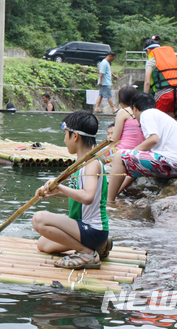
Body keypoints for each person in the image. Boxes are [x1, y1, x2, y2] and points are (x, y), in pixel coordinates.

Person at [32, 110, 110, 269]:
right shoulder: (79, 164)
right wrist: (57, 192)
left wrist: (61, 187)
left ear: (75, 136)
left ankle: (87, 253)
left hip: (92, 229)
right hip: (84, 229)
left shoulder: (91, 163)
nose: (64, 139)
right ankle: (100, 247)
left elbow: (88, 196)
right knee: (43, 244)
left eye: (65, 134)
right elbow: (80, 195)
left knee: (38, 219)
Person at [107, 92, 177, 201]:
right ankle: (114, 195)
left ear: (135, 108)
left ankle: (109, 202)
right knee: (128, 157)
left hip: (172, 163)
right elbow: (136, 164)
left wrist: (133, 151)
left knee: (119, 155)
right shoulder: (158, 115)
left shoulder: (146, 114)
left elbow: (153, 139)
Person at [143, 38, 177, 118]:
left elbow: (147, 82)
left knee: (157, 121)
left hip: (163, 96)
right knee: (171, 122)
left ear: (148, 51)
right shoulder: (173, 60)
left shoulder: (151, 61)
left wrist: (145, 100)